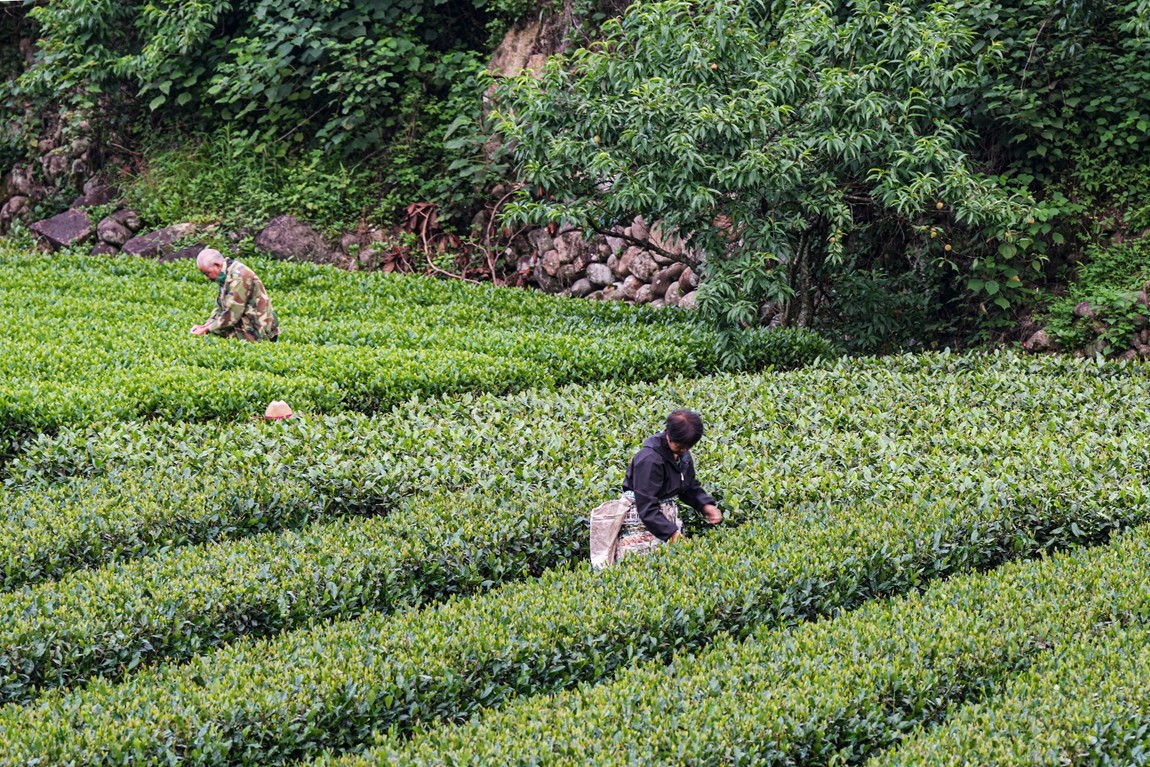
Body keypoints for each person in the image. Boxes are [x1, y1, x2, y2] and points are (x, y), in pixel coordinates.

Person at [615, 409, 722, 561]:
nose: (684, 450)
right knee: (643, 564)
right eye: (681, 446)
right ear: (669, 434)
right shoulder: (650, 460)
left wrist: (705, 505)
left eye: (688, 447)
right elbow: (646, 505)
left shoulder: (682, 453)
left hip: (665, 516)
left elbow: (688, 486)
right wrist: (671, 532)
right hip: (641, 518)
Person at [190, 248, 280, 342]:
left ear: (217, 265)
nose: (207, 278)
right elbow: (220, 305)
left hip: (259, 333)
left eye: (207, 273)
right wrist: (207, 324)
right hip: (248, 328)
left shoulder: (238, 278)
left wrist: (207, 329)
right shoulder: (226, 273)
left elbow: (231, 315)